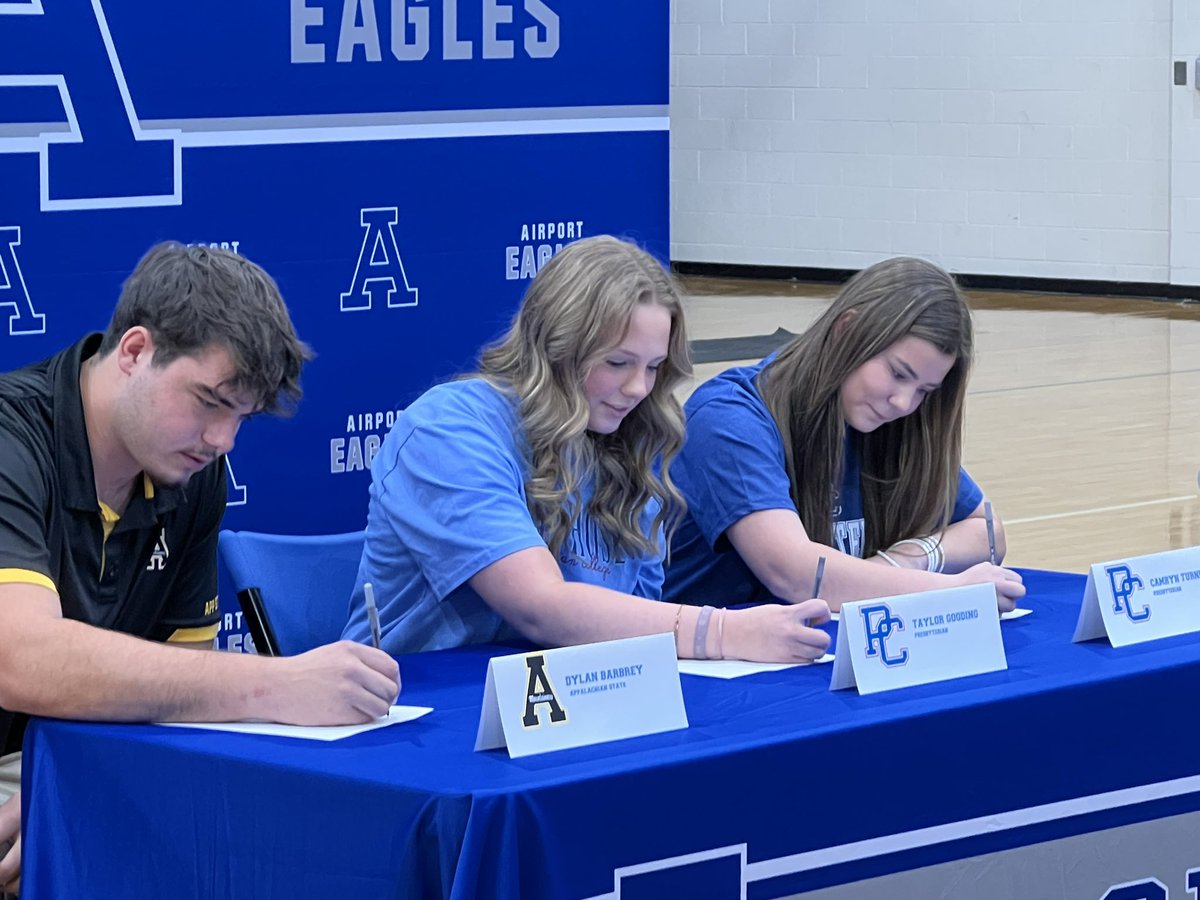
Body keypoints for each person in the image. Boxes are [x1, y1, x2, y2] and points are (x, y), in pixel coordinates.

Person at [0, 243, 400, 895]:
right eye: (211, 402)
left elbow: (182, 692)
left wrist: (68, 789)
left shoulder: (191, 473)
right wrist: (277, 683)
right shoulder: (12, 439)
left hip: (74, 759)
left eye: (241, 417)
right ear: (134, 352)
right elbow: (20, 658)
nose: (223, 442)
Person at [342, 235, 831, 666]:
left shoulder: (631, 445)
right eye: (617, 362)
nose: (639, 387)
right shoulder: (449, 430)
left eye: (655, 366)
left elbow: (630, 624)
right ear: (557, 346)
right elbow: (540, 605)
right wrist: (725, 631)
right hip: (422, 709)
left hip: (574, 702)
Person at [662, 256, 1026, 612]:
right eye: (898, 374)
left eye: (924, 390)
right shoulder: (728, 419)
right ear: (845, 330)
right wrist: (948, 590)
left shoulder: (889, 423)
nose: (903, 402)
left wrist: (903, 561)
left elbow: (988, 532)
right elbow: (796, 575)